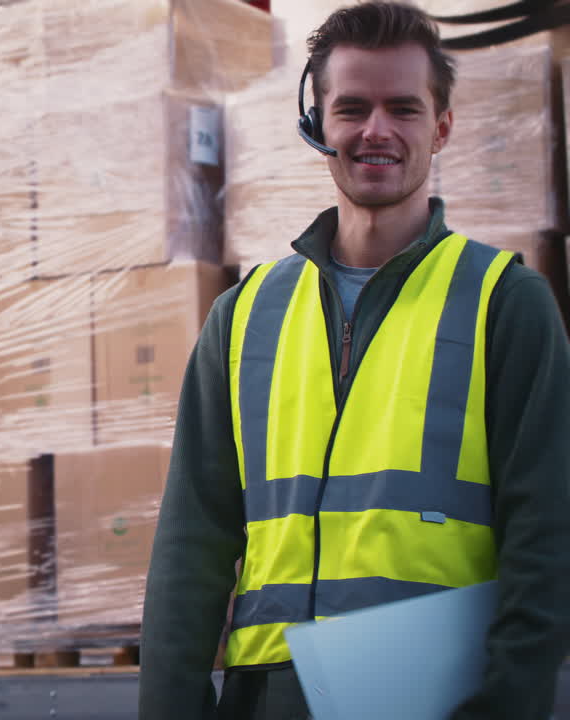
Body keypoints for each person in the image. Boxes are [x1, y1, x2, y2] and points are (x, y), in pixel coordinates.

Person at [138, 3, 570, 719]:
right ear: (318, 124)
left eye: (404, 108)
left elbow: (548, 541)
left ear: (442, 128)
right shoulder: (243, 317)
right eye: (352, 108)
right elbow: (191, 545)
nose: (377, 130)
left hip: (436, 699)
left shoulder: (505, 302)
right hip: (268, 696)